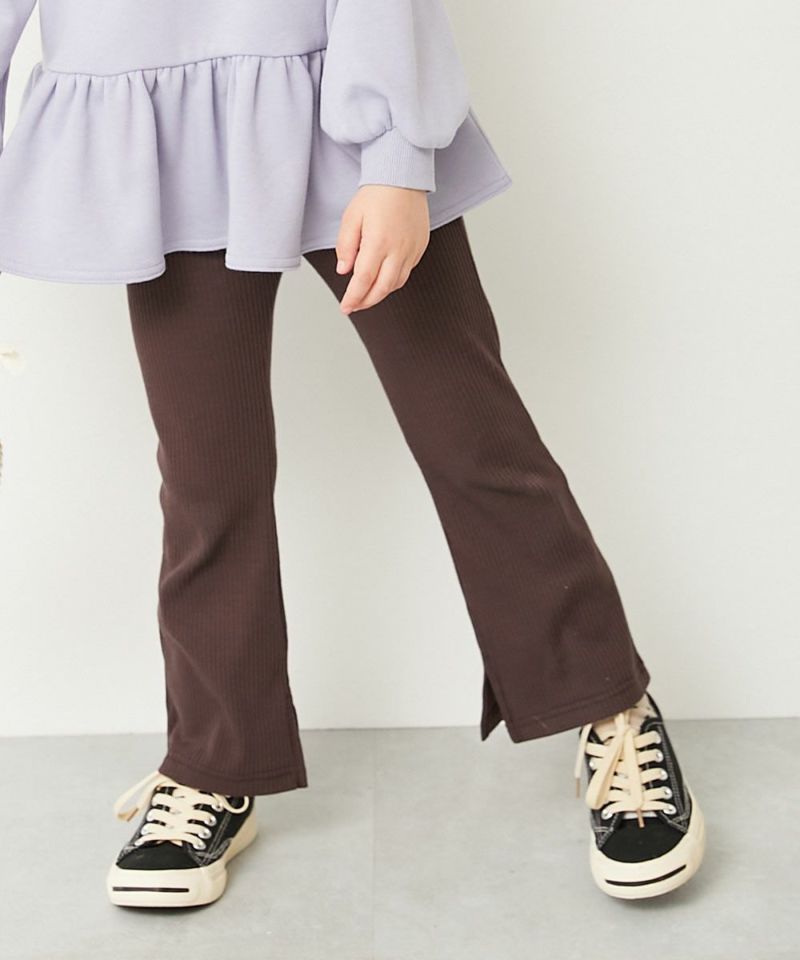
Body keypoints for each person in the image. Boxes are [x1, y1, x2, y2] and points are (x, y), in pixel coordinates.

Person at [0, 0, 705, 908]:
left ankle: (610, 705)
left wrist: (397, 156)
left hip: (335, 102)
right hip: (153, 132)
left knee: (473, 440)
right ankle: (214, 764)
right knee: (208, 478)